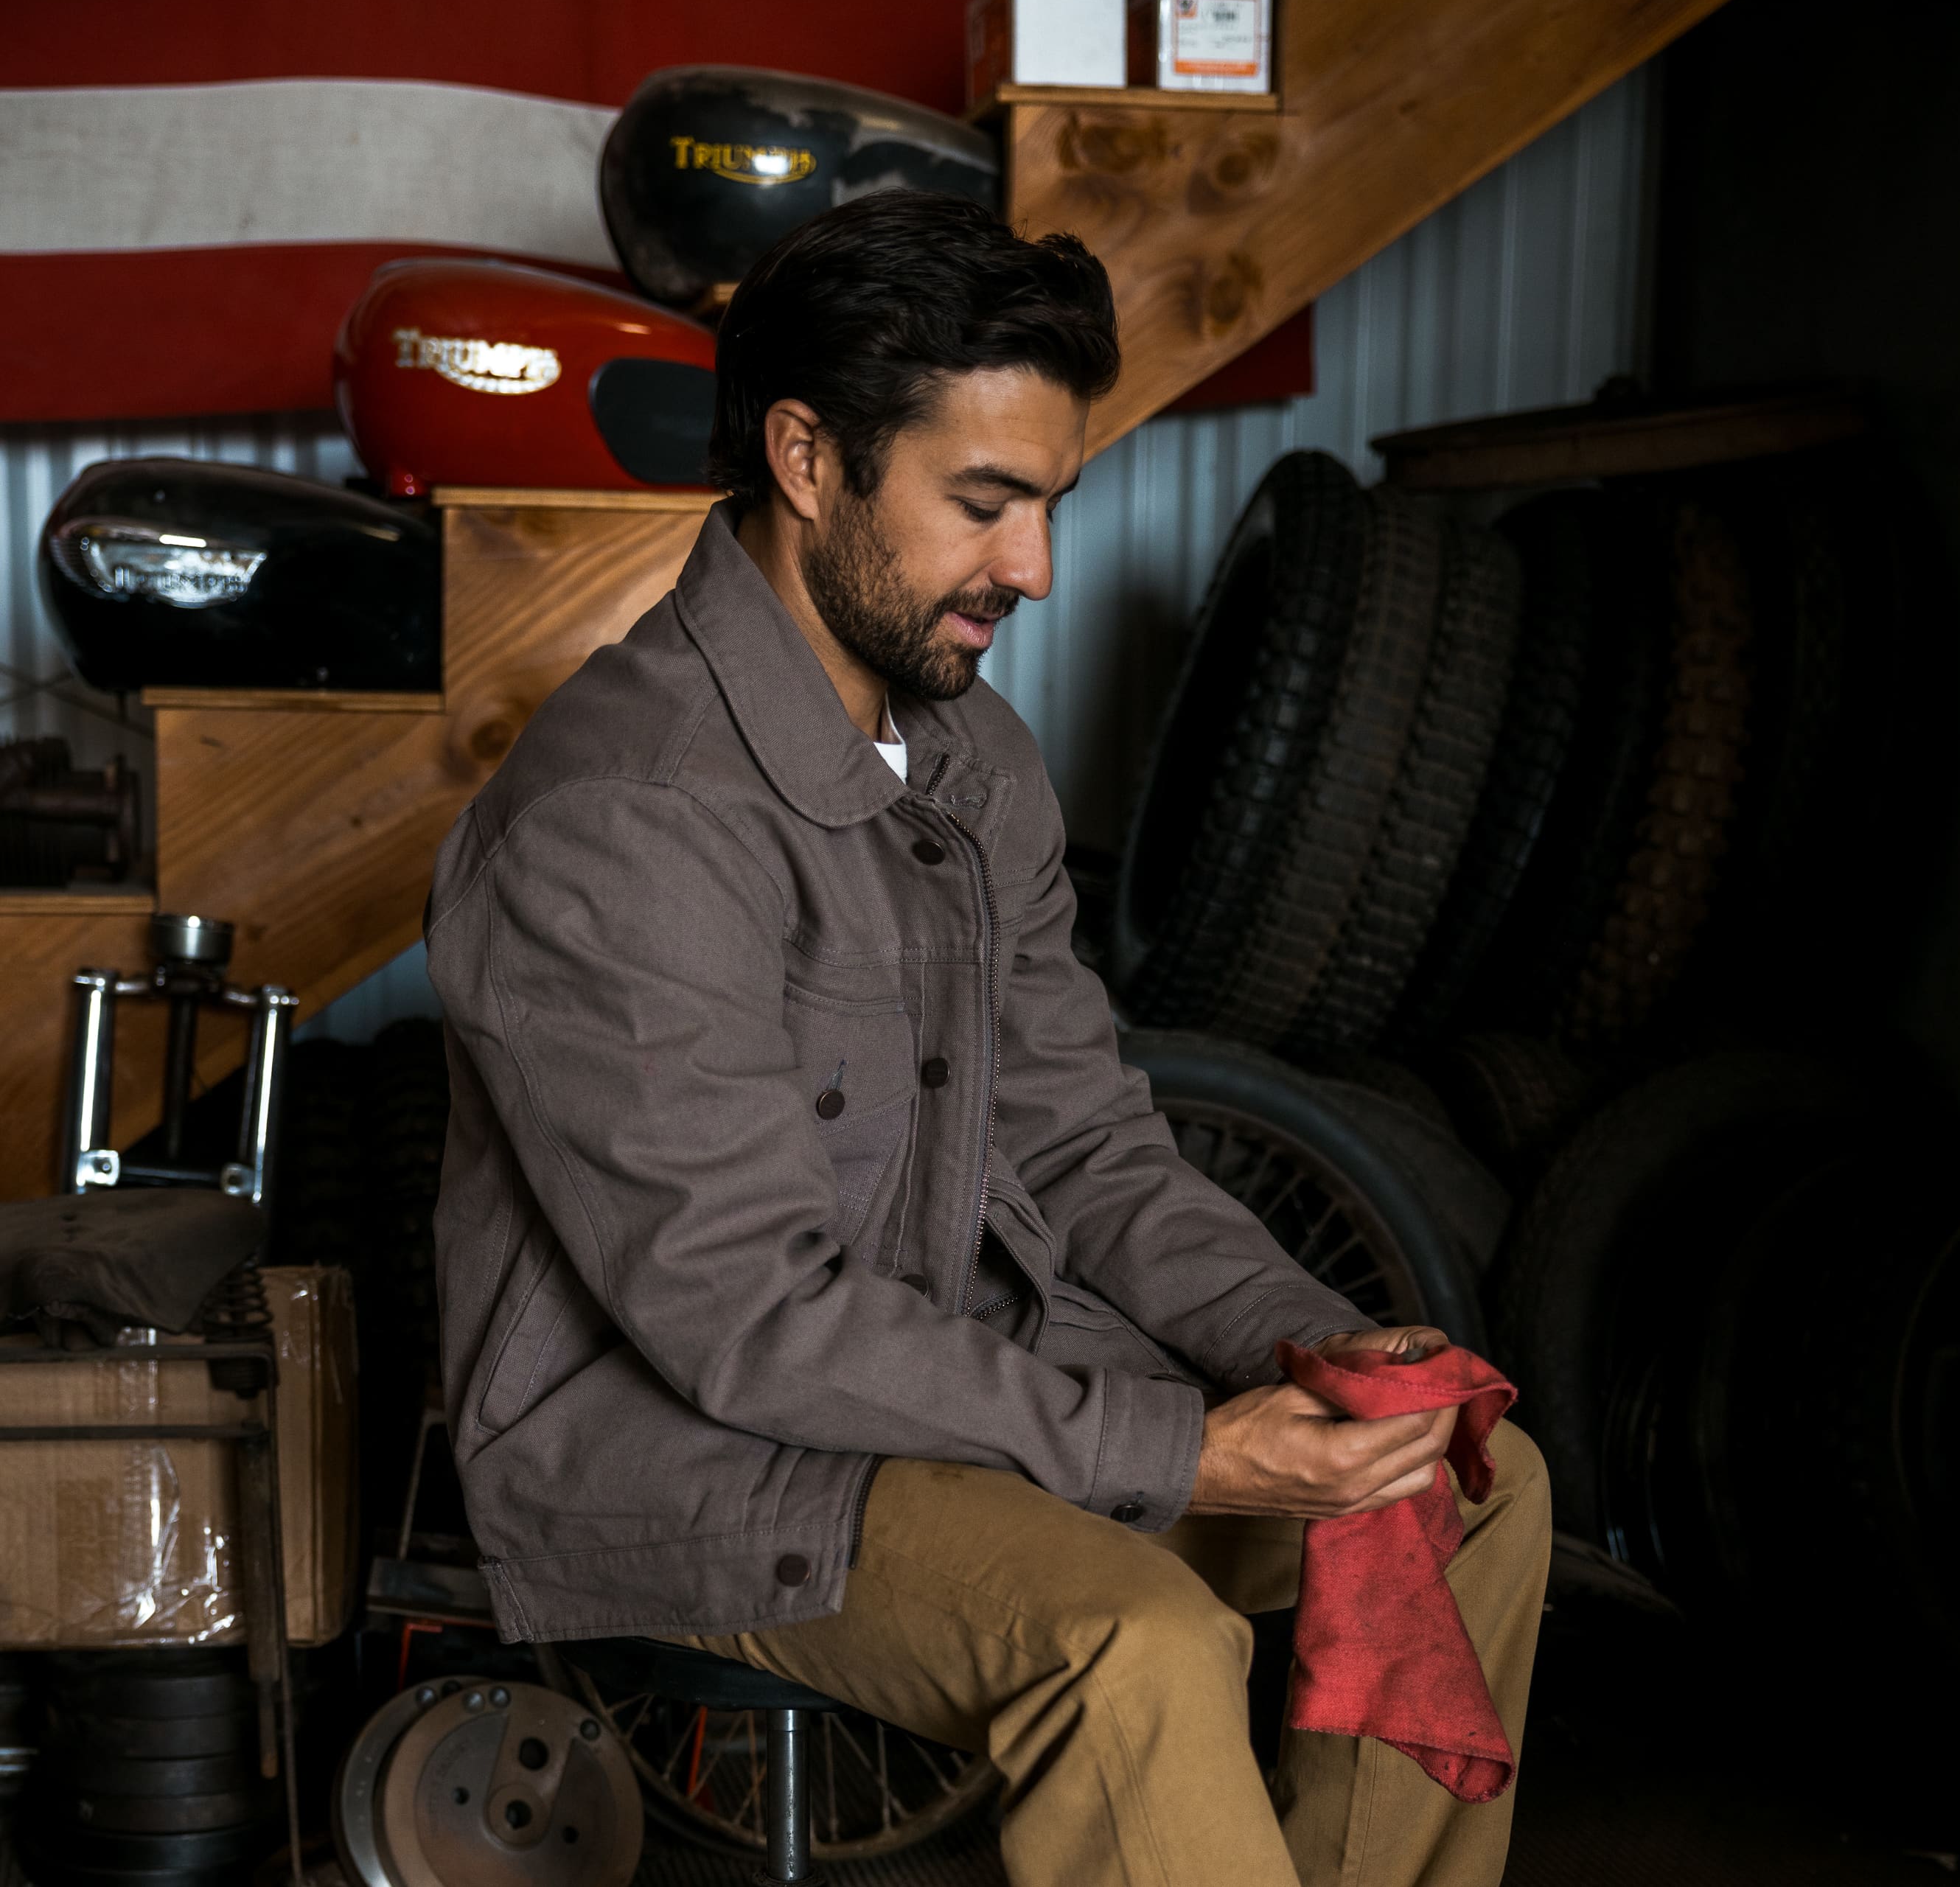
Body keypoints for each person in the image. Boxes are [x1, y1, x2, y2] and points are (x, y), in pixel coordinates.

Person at [425, 189, 1549, 1887]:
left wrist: (1316, 1349)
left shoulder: (970, 759)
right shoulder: (622, 821)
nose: (1031, 567)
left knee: (1462, 1482)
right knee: (1136, 1639)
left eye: (1048, 503)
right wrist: (1182, 1445)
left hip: (953, 1385)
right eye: (982, 502)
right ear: (807, 460)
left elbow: (1092, 1145)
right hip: (694, 1452)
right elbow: (746, 1320)